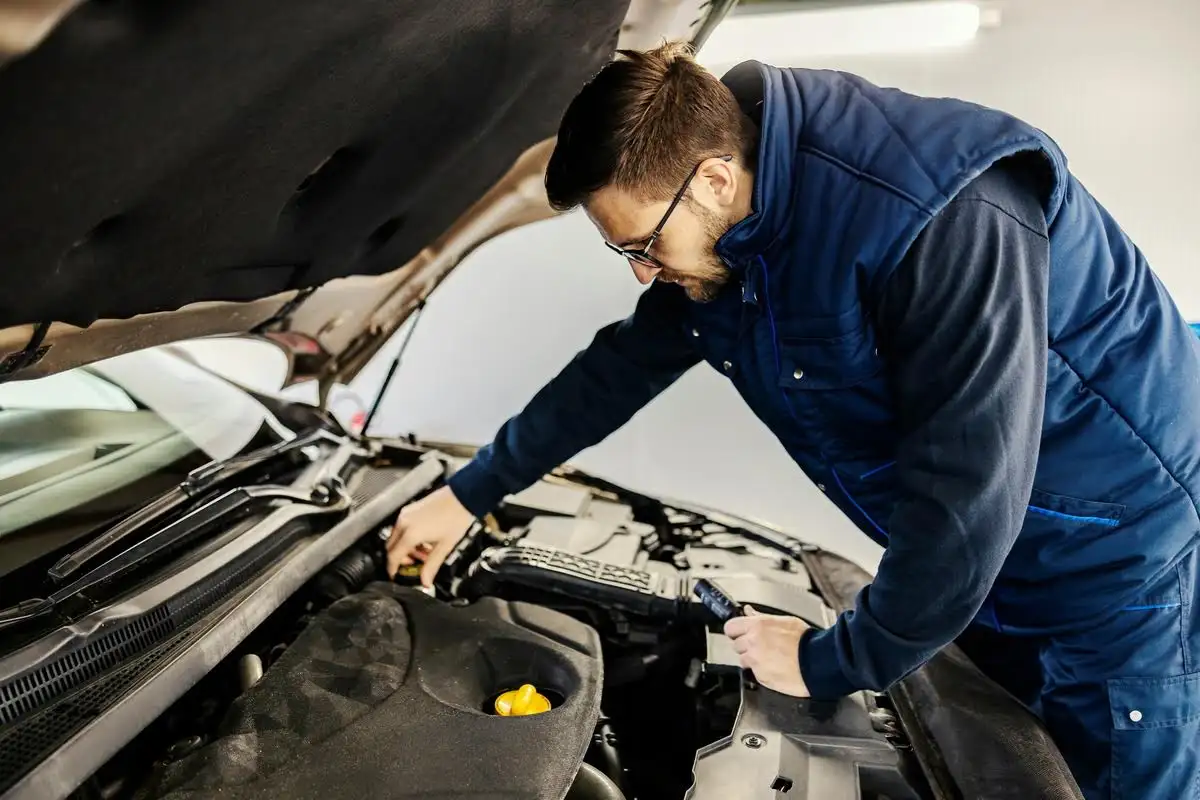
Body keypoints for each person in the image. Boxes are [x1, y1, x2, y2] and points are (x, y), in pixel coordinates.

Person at [386, 42, 1200, 799]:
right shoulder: (738, 227)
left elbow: (968, 492)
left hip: (1112, 559)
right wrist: (468, 492)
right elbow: (618, 369)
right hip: (996, 561)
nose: (641, 273)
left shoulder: (939, 212)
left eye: (641, 245)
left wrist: (834, 659)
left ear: (710, 179)